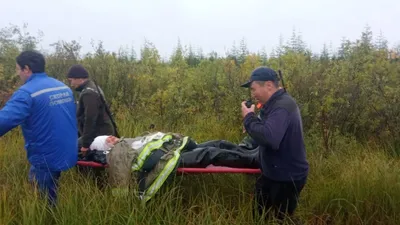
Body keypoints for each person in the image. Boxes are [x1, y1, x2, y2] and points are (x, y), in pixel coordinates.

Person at [0, 50, 78, 206]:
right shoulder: (62, 87)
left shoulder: (27, 93)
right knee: (46, 181)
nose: (18, 74)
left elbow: (4, 121)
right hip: (67, 150)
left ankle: (49, 217)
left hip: (45, 155)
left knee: (44, 199)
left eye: (18, 69)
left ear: (26, 69)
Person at [240, 66, 309, 221]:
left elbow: (271, 139)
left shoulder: (282, 106)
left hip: (286, 177)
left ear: (269, 85)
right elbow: (267, 128)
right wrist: (252, 123)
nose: (253, 94)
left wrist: (249, 118)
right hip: (272, 172)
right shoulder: (274, 104)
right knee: (258, 214)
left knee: (281, 219)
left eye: (254, 89)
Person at [66, 64, 116, 153]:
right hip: (101, 131)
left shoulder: (88, 93)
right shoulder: (91, 86)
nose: (71, 84)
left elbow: (90, 120)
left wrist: (85, 144)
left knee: (70, 148)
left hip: (100, 134)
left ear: (80, 78)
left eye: (72, 80)